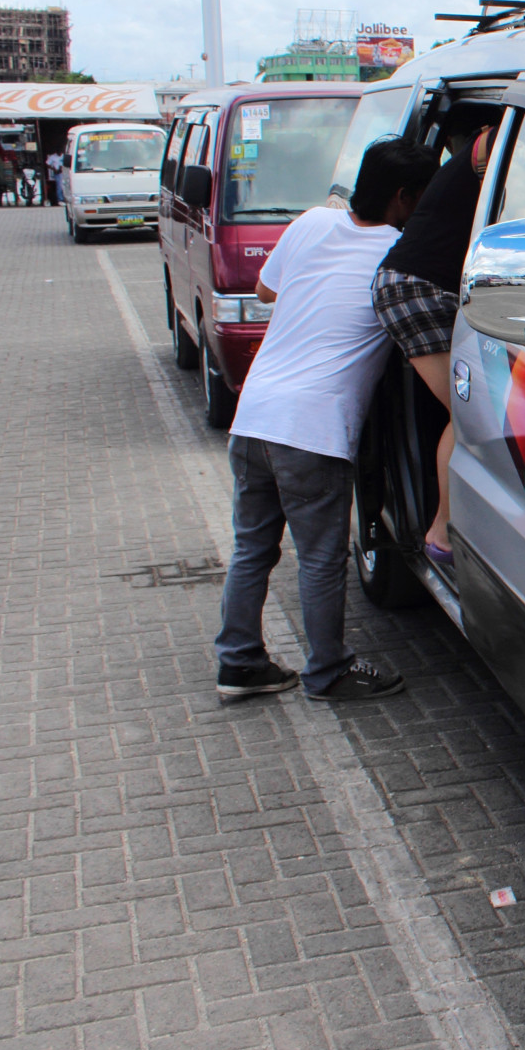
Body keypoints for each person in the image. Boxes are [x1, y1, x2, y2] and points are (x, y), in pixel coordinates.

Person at [213, 137, 438, 702]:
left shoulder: (314, 221)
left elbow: (266, 289)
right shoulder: (402, 254)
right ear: (405, 197)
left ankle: (238, 663)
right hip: (312, 430)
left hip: (255, 415)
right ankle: (328, 670)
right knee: (319, 559)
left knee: (252, 549)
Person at [370, 106, 499, 567]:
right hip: (418, 290)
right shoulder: (482, 152)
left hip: (433, 289)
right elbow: (494, 140)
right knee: (468, 415)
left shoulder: (476, 178)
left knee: (470, 411)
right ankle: (441, 531)